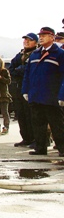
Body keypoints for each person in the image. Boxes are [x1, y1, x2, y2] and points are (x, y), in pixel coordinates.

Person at [22, 27, 64, 156]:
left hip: (51, 96)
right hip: (35, 95)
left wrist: (62, 95)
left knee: (57, 124)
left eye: (44, 35)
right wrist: (25, 90)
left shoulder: (60, 54)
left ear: (52, 37)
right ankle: (40, 148)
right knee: (38, 123)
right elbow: (27, 74)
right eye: (40, 35)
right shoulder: (35, 54)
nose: (41, 37)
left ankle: (62, 149)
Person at [9, 33, 38, 147]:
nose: (26, 42)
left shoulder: (36, 54)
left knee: (32, 114)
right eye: (25, 40)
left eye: (29, 40)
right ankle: (26, 137)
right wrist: (20, 70)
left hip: (32, 88)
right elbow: (11, 69)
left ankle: (36, 139)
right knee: (21, 114)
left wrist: (21, 69)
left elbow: (30, 69)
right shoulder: (20, 54)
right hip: (19, 87)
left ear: (35, 42)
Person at [0, 62, 12, 135]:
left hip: (3, 94)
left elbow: (9, 81)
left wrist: (1, 78)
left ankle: (6, 127)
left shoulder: (4, 71)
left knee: (4, 112)